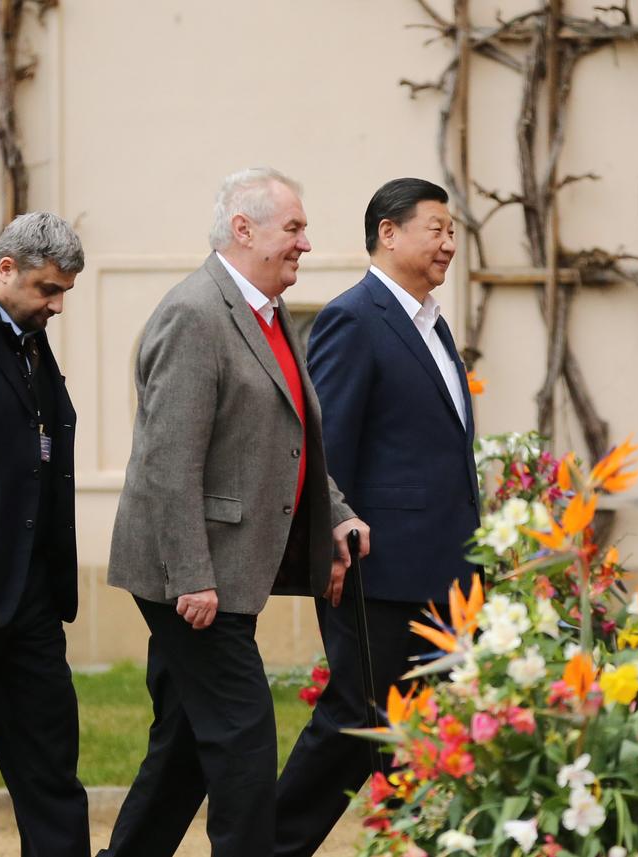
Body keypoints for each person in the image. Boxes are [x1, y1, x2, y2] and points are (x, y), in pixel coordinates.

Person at [99, 168, 368, 857]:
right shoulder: (196, 313)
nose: (306, 244)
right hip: (193, 578)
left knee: (188, 744)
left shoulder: (264, 313)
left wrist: (333, 510)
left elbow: (287, 438)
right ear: (243, 230)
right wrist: (193, 574)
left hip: (223, 571)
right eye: (295, 228)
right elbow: (167, 460)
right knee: (245, 744)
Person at [273, 177, 482, 857]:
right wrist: (330, 540)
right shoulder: (355, 318)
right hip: (376, 570)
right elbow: (327, 447)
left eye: (453, 230)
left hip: (443, 574)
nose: (449, 242)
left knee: (424, 732)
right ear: (388, 233)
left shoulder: (433, 323)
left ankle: (416, 843)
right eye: (436, 227)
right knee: (352, 724)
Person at [0, 211, 89, 856]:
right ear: (3, 270)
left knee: (52, 770)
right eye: (47, 289)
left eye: (63, 291)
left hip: (31, 597)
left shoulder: (31, 337)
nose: (57, 304)